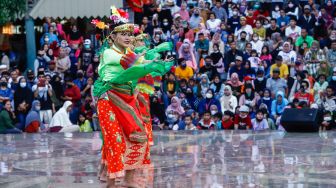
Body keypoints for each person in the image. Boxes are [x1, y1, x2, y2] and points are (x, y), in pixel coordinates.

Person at [93, 7, 172, 187]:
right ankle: (111, 183)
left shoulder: (128, 52)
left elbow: (140, 61)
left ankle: (129, 179)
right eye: (123, 34)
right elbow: (134, 64)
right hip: (109, 99)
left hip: (127, 99)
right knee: (115, 140)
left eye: (130, 34)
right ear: (113, 37)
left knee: (137, 136)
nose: (128, 37)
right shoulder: (109, 53)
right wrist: (151, 62)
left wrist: (155, 62)